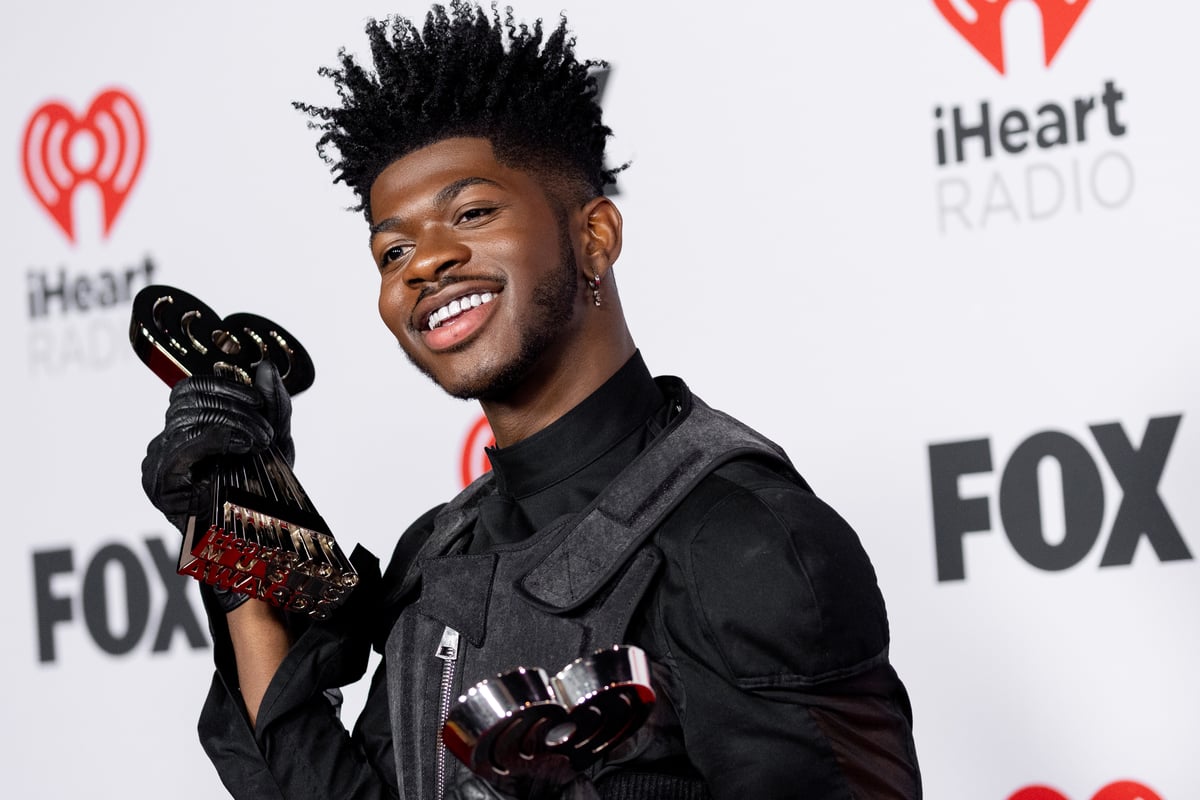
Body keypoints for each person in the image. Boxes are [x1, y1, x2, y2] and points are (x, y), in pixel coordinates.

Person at [141, 3, 922, 798]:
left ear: (595, 237)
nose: (426, 263)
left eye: (472, 213)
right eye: (394, 249)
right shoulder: (437, 559)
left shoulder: (745, 542)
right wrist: (243, 529)